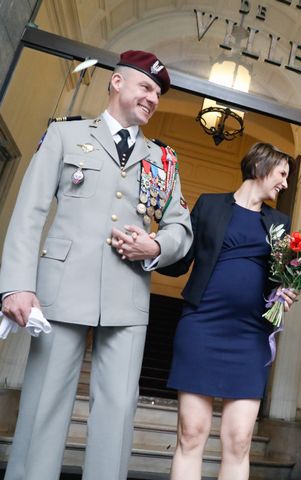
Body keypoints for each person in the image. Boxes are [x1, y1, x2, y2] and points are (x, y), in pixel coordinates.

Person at [0, 50, 193, 480]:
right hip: (62, 289)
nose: (153, 98)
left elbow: (182, 228)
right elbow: (29, 212)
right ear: (117, 83)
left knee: (118, 412)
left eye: (158, 93)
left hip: (127, 299)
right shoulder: (65, 136)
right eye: (146, 87)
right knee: (44, 405)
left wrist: (156, 246)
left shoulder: (164, 159)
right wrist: (16, 285)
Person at [158, 142, 297, 480]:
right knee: (191, 433)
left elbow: (280, 277)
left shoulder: (279, 221)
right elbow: (181, 262)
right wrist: (152, 248)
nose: (285, 184)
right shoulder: (210, 205)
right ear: (261, 167)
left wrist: (284, 291)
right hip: (202, 326)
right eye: (282, 174)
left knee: (239, 440)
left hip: (250, 336)